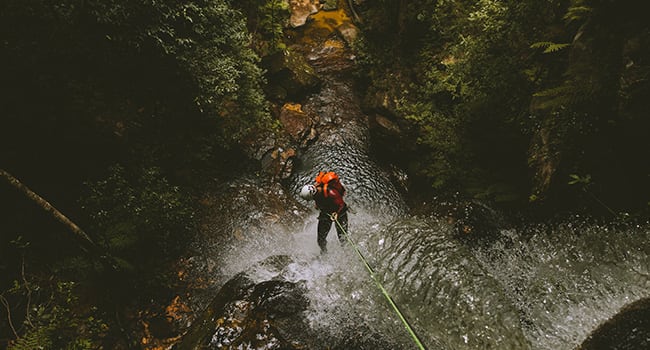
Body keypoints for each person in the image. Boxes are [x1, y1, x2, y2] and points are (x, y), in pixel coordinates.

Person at [299, 171, 349, 253]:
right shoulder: (315, 191)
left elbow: (342, 205)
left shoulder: (331, 193)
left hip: (340, 213)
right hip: (326, 213)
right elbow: (319, 200)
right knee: (320, 239)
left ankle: (346, 253)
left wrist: (337, 213)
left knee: (342, 238)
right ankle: (324, 253)